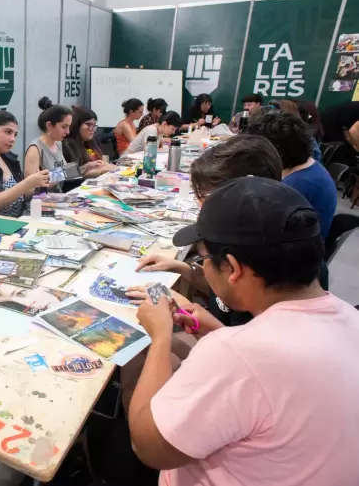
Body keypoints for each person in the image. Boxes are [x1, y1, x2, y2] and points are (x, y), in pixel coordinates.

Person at [128, 176, 359, 486]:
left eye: (204, 258)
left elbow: (148, 448)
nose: (203, 268)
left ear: (233, 268)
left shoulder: (236, 355)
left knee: (135, 362)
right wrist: (220, 331)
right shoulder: (347, 317)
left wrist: (160, 334)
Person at [126, 134, 283, 327]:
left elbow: (232, 346)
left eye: (204, 259)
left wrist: (179, 308)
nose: (201, 205)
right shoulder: (253, 235)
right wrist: (180, 267)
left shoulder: (258, 264)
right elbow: (223, 296)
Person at [247, 110, 336, 239]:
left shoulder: (295, 185)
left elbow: (260, 226)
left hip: (295, 251)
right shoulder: (308, 166)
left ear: (276, 150)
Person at [25, 97, 72, 193]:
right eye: (64, 127)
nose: (68, 132)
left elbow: (67, 171)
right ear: (49, 125)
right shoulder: (35, 150)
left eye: (68, 127)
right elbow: (30, 190)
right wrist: (63, 174)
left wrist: (85, 168)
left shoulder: (58, 143)